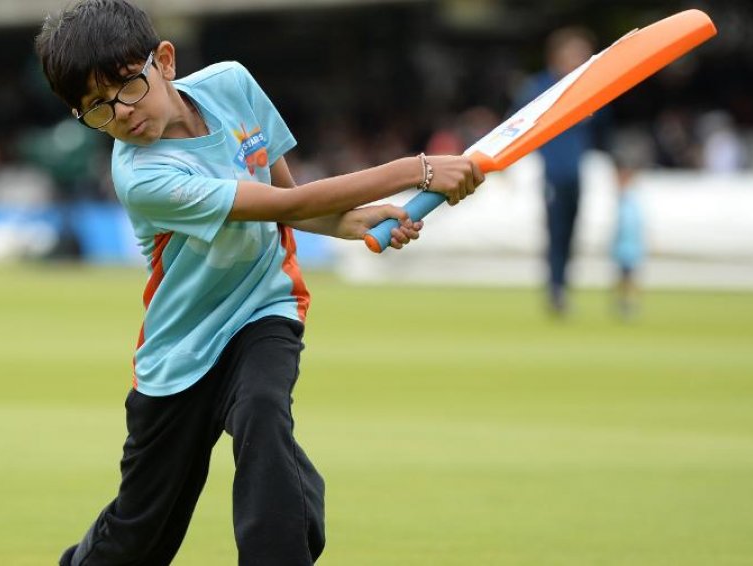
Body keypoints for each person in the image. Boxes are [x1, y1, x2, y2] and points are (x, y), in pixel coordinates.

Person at [33, 1, 484, 564]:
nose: (121, 113)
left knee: (262, 415)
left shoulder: (232, 85)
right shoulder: (143, 175)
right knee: (138, 537)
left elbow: (287, 202)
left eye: (126, 86)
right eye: (95, 109)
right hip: (182, 353)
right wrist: (416, 170)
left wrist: (349, 222)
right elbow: (287, 202)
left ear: (164, 60)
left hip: (263, 307)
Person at [517, 26, 607, 318]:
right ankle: (555, 288)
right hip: (552, 173)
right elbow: (515, 124)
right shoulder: (538, 87)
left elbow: (603, 129)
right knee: (555, 232)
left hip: (576, 171)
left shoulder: (591, 88)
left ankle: (563, 285)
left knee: (572, 232)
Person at [611, 156, 646, 321]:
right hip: (625, 247)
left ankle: (627, 304)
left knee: (628, 278)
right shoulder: (625, 199)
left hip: (629, 247)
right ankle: (623, 304)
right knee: (624, 278)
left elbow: (631, 225)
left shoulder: (629, 200)